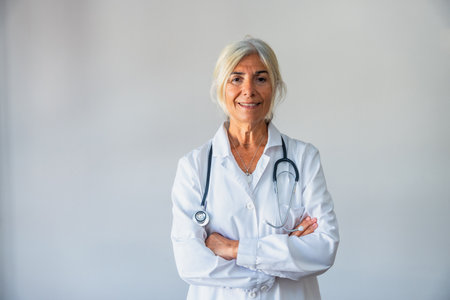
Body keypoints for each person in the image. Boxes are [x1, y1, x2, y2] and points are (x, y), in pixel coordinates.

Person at [171, 37, 339, 300]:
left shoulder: (304, 158)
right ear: (221, 88)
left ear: (275, 87)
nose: (248, 90)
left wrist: (233, 249)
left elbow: (323, 250)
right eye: (236, 79)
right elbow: (190, 262)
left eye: (261, 79)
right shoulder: (194, 166)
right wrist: (281, 259)